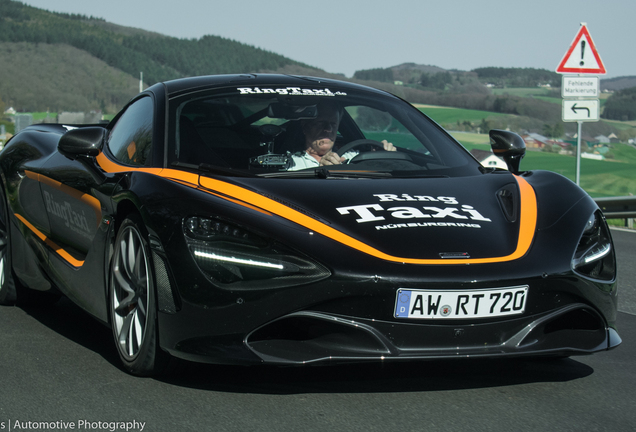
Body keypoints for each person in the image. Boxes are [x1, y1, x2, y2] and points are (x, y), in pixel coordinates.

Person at [288, 101, 395, 170]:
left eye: (333, 124)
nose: (328, 129)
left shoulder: (356, 157)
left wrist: (385, 157)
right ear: (305, 126)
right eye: (321, 123)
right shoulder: (292, 163)